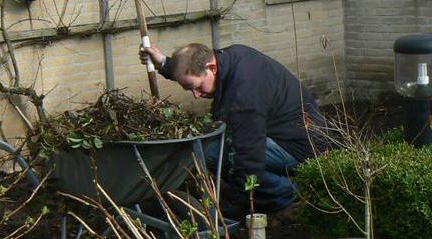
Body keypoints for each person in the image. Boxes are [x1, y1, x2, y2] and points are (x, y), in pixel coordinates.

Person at [140, 43, 328, 218]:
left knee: (227, 155)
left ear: (212, 68)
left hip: (302, 148)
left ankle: (290, 193)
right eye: (190, 89)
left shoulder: (242, 94)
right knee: (216, 151)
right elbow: (192, 70)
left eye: (196, 87)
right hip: (285, 134)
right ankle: (275, 187)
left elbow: (249, 154)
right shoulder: (226, 60)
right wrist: (164, 63)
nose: (196, 96)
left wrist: (237, 202)